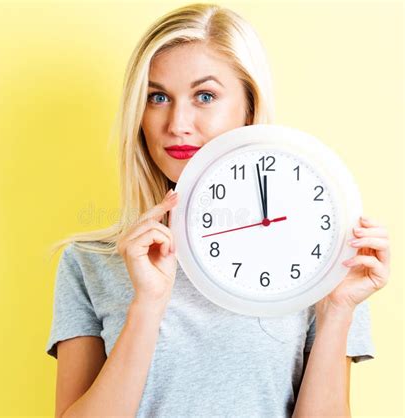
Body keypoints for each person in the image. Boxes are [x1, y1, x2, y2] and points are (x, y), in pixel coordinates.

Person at [45, 3, 391, 417]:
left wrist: (336, 312)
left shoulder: (321, 254)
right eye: (157, 97)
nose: (177, 123)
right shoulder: (89, 262)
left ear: (249, 107)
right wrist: (148, 305)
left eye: (204, 96)